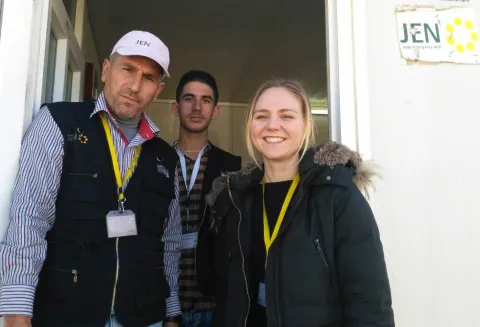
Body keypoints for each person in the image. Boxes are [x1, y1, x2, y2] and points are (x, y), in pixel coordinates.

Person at [0, 30, 183, 327]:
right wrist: (17, 311)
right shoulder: (59, 124)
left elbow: (170, 242)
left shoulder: (166, 157)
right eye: (127, 69)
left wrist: (171, 312)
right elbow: (29, 220)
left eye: (148, 78)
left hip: (143, 316)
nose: (135, 86)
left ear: (158, 89)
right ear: (107, 71)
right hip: (65, 313)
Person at [199, 78, 395, 327]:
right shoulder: (236, 199)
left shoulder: (337, 195)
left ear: (305, 126)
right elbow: (226, 293)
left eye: (286, 116)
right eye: (261, 116)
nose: (272, 125)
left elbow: (369, 304)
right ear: (250, 125)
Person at [171, 70, 242, 327]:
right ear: (175, 107)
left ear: (215, 111)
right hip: (163, 301)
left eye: (206, 100)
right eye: (189, 98)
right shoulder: (155, 161)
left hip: (213, 302)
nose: (197, 107)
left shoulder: (232, 167)